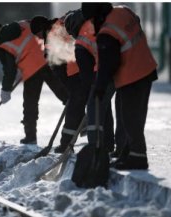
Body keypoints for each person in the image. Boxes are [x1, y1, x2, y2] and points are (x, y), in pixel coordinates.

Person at [82, 3, 158, 170]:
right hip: (147, 68)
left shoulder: (106, 33)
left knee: (129, 118)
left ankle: (138, 157)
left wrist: (100, 88)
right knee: (136, 117)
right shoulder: (122, 11)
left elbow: (109, 63)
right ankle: (128, 153)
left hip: (133, 75)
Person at [30, 10, 115, 154]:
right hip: (94, 66)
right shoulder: (64, 22)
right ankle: (107, 144)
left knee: (74, 109)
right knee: (102, 106)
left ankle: (66, 144)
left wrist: (70, 90)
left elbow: (58, 69)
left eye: (38, 35)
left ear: (42, 29)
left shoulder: (52, 37)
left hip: (77, 72)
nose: (39, 39)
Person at [0, 21, 69, 145]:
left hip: (32, 71)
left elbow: (10, 70)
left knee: (30, 104)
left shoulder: (2, 44)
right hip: (48, 60)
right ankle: (81, 119)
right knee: (63, 93)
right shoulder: (24, 24)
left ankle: (30, 137)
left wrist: (6, 90)